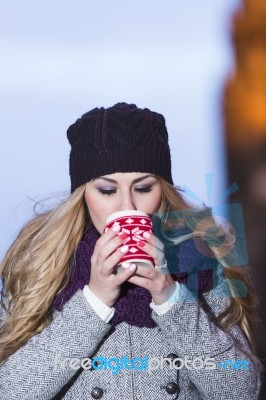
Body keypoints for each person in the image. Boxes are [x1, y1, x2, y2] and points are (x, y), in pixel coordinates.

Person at [0, 103, 262, 399]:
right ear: (83, 194)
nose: (127, 207)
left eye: (143, 187)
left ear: (163, 190)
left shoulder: (199, 258)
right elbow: (11, 390)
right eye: (107, 190)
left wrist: (172, 299)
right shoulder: (46, 264)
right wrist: (94, 301)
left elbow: (242, 391)